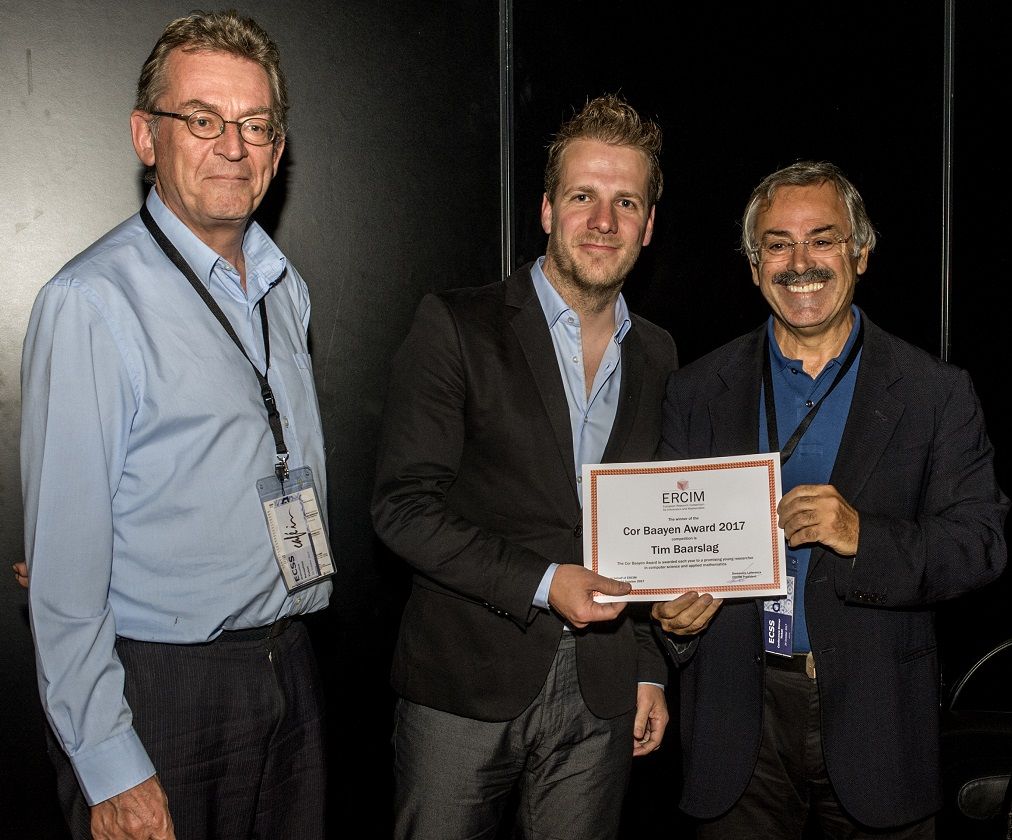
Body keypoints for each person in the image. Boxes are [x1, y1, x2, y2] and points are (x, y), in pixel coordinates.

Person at [20, 10, 333, 840]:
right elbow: (62, 579)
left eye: (255, 124)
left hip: (288, 666)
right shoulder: (91, 303)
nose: (233, 146)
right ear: (146, 136)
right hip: (162, 692)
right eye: (202, 119)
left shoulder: (285, 290)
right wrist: (109, 762)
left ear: (277, 149)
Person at [651, 160, 1009, 838]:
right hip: (736, 719)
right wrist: (670, 615)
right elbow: (664, 546)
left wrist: (862, 536)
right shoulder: (696, 390)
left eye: (823, 239)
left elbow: (980, 545)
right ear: (754, 265)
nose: (800, 263)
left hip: (879, 720)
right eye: (778, 244)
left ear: (861, 253)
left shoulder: (935, 393)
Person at [371, 93, 674, 840]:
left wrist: (647, 666)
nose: (603, 221)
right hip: (464, 684)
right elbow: (402, 508)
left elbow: (647, 527)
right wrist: (544, 582)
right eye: (582, 196)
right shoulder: (456, 324)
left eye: (625, 202)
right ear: (546, 210)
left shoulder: (659, 353)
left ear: (648, 225)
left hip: (603, 693)